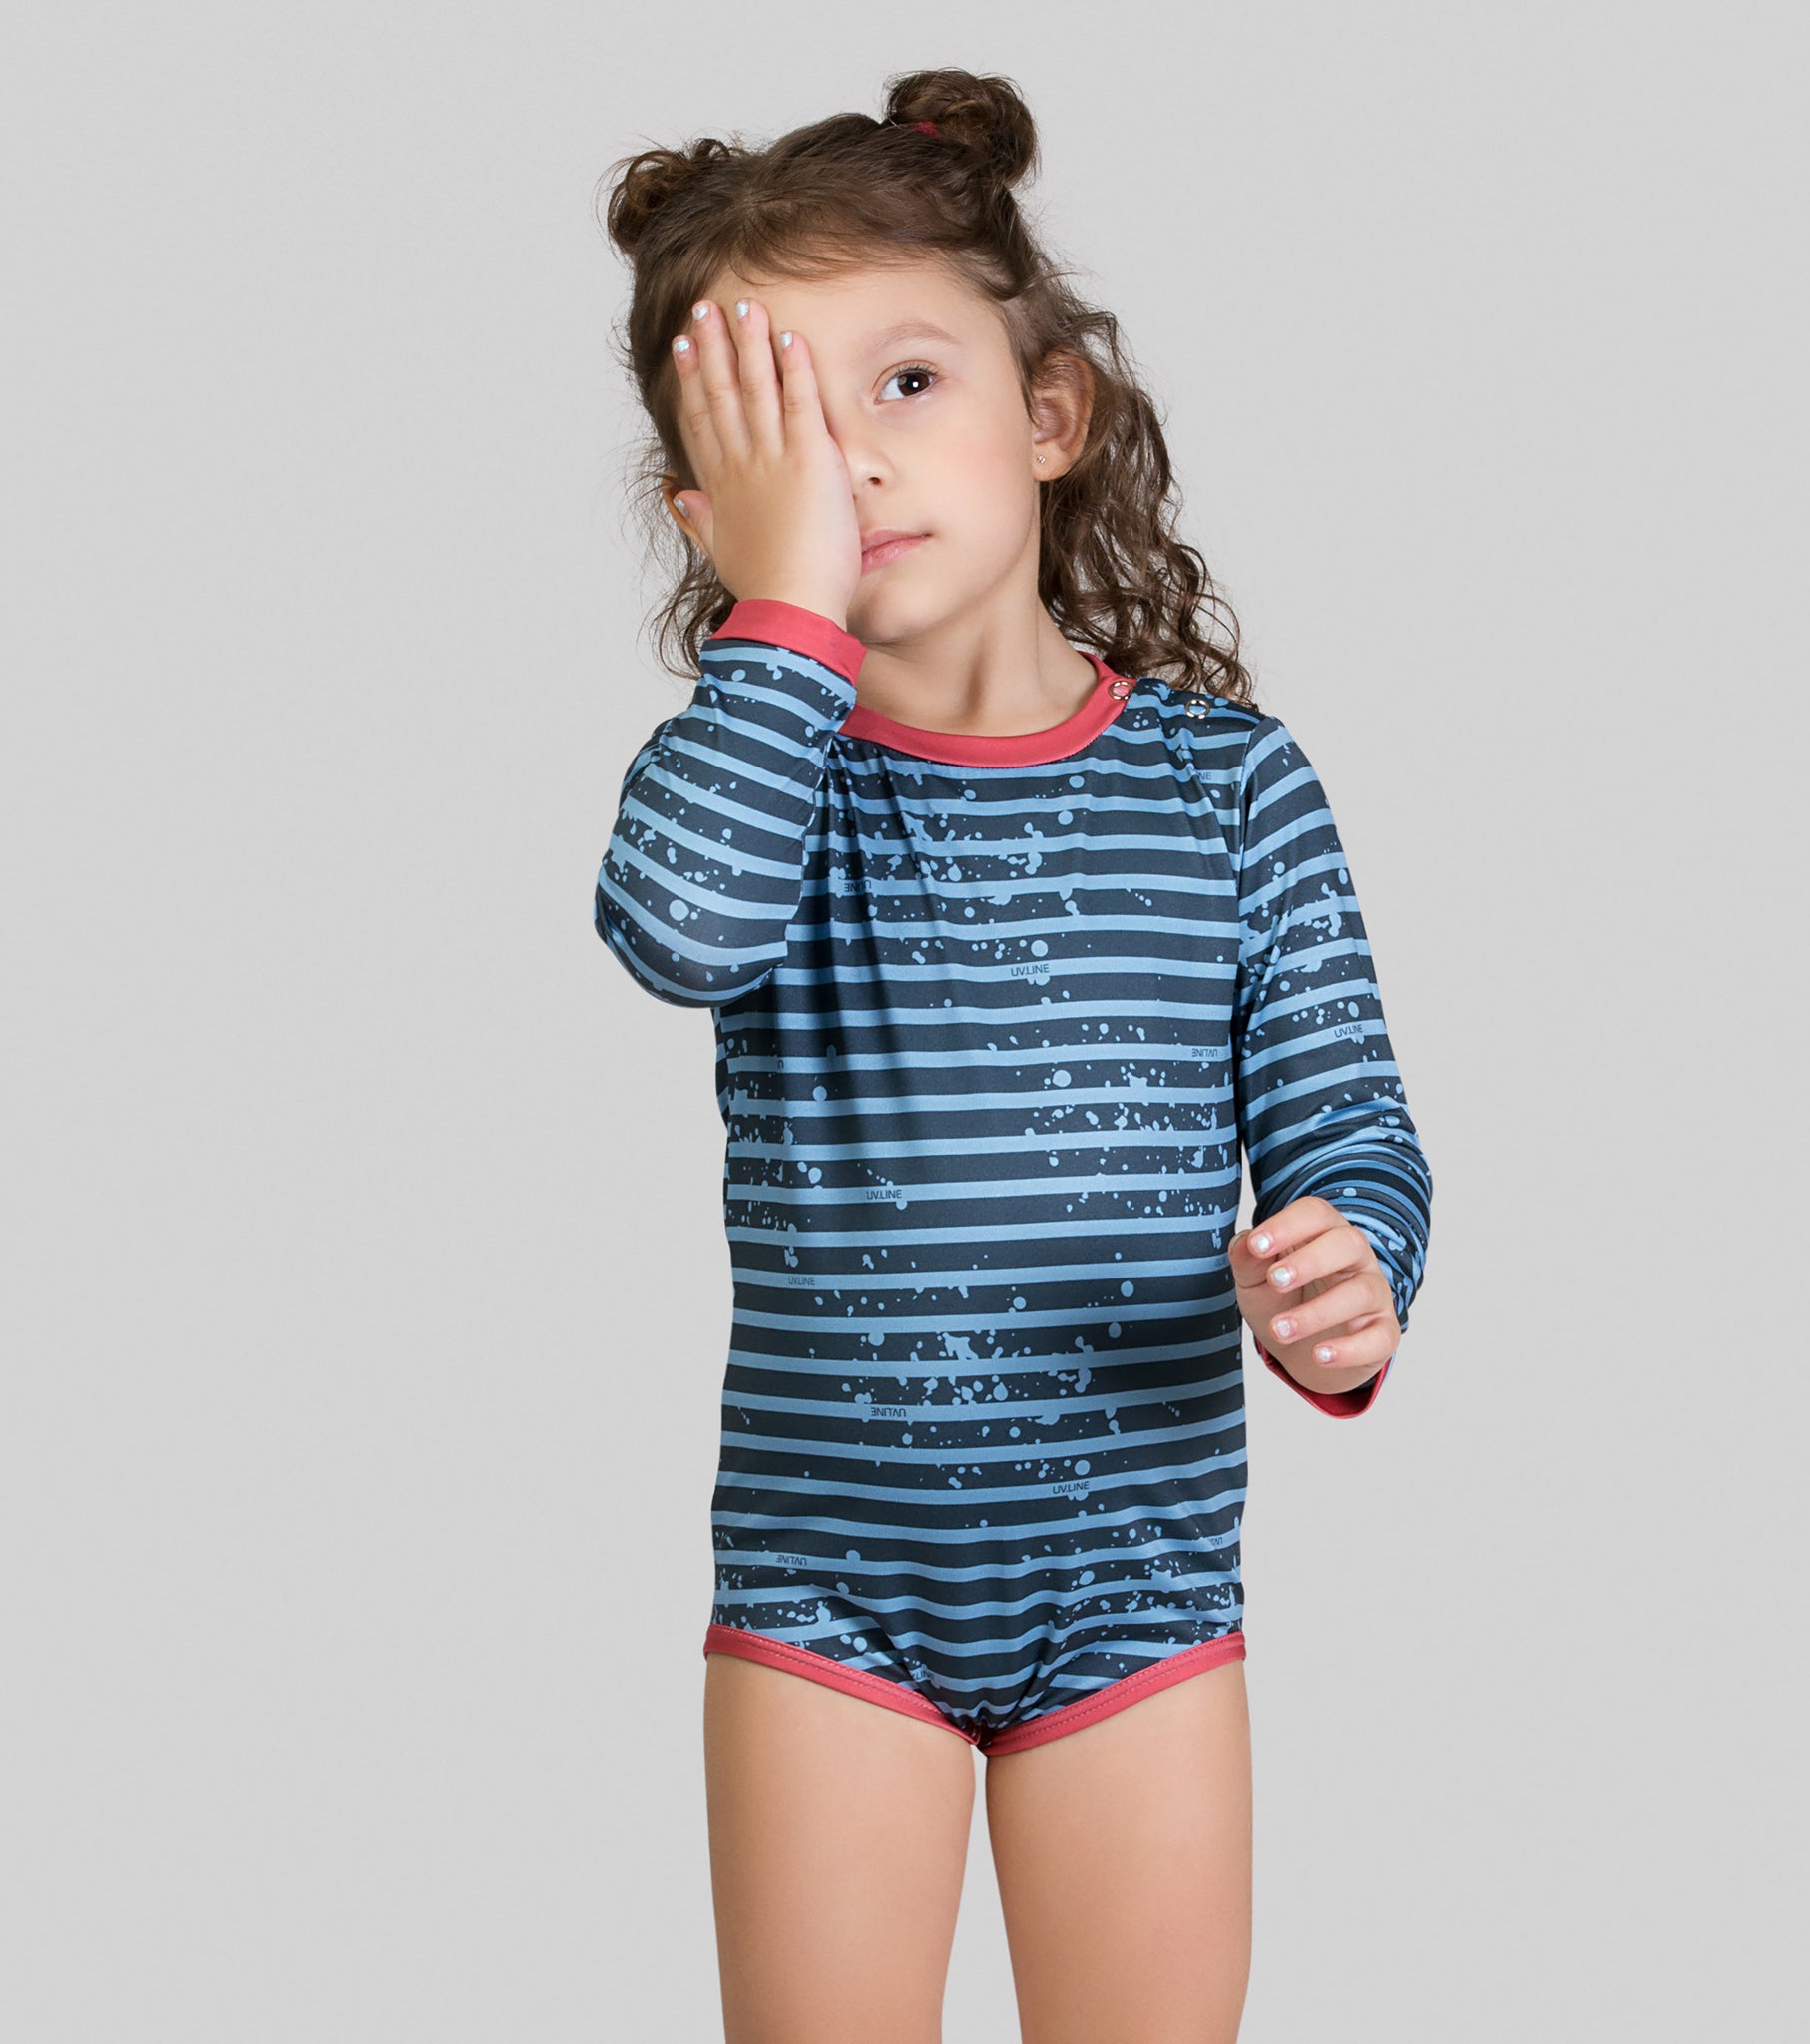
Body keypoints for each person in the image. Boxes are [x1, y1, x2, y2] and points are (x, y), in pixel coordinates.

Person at [592, 67, 1433, 2044]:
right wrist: (784, 617)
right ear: (711, 513)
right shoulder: (769, 782)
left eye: (903, 384)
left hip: (1137, 1596)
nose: (856, 465)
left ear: (1049, 414)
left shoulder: (1229, 785)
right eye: (780, 429)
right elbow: (677, 929)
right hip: (827, 1598)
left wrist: (1353, 1271)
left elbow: (1350, 1125)